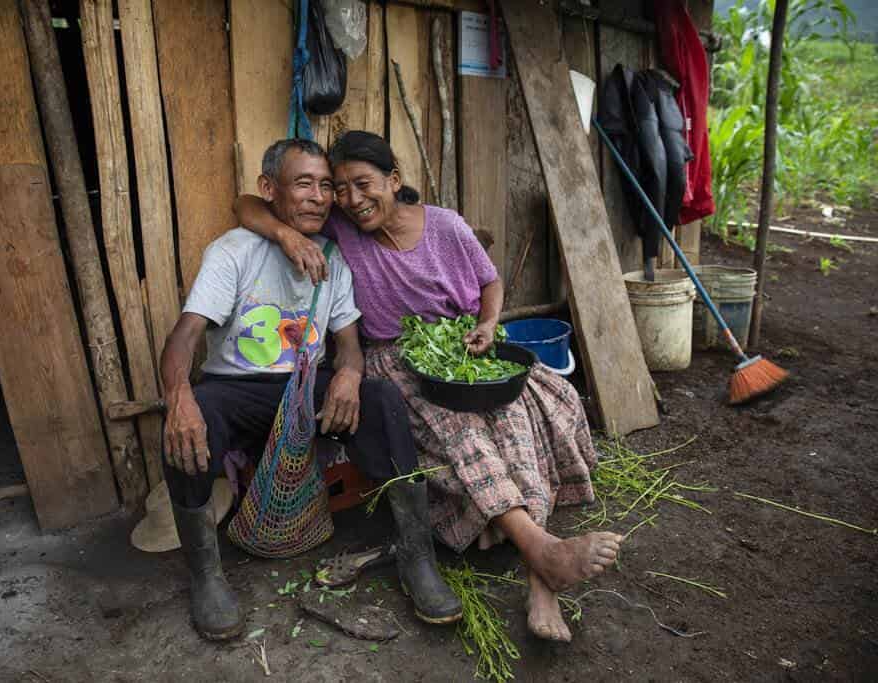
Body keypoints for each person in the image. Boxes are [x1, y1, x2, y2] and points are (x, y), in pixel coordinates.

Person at [234, 131, 622, 643]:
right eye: (341, 189)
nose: (351, 200)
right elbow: (244, 204)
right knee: (464, 433)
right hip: (396, 362)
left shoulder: (444, 226)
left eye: (363, 184)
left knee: (521, 419)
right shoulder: (345, 228)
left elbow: (490, 282)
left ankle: (540, 571)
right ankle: (545, 554)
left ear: (394, 181)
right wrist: (288, 236)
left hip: (462, 350)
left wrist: (487, 323)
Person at [160, 138, 461, 642]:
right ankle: (206, 576)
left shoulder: (334, 257)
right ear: (269, 190)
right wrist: (178, 399)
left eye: (326, 186)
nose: (319, 197)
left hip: (305, 389)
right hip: (239, 390)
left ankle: (416, 556)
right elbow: (184, 337)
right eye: (304, 184)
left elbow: (348, 344)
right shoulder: (233, 251)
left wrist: (347, 374)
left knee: (381, 399)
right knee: (191, 422)